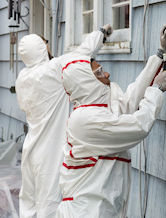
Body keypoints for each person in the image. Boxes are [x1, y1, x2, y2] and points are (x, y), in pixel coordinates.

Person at [56, 25, 166, 218]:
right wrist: (156, 90)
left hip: (101, 208)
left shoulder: (97, 108)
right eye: (100, 72)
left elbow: (129, 102)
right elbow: (137, 127)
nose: (107, 74)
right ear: (87, 82)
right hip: (86, 212)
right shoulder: (85, 120)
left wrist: (159, 56)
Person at [15, 27, 109, 218]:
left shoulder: (22, 78)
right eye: (45, 45)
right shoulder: (53, 69)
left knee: (28, 205)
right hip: (50, 152)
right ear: (41, 49)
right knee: (48, 206)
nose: (48, 47)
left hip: (30, 149)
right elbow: (82, 52)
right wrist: (101, 32)